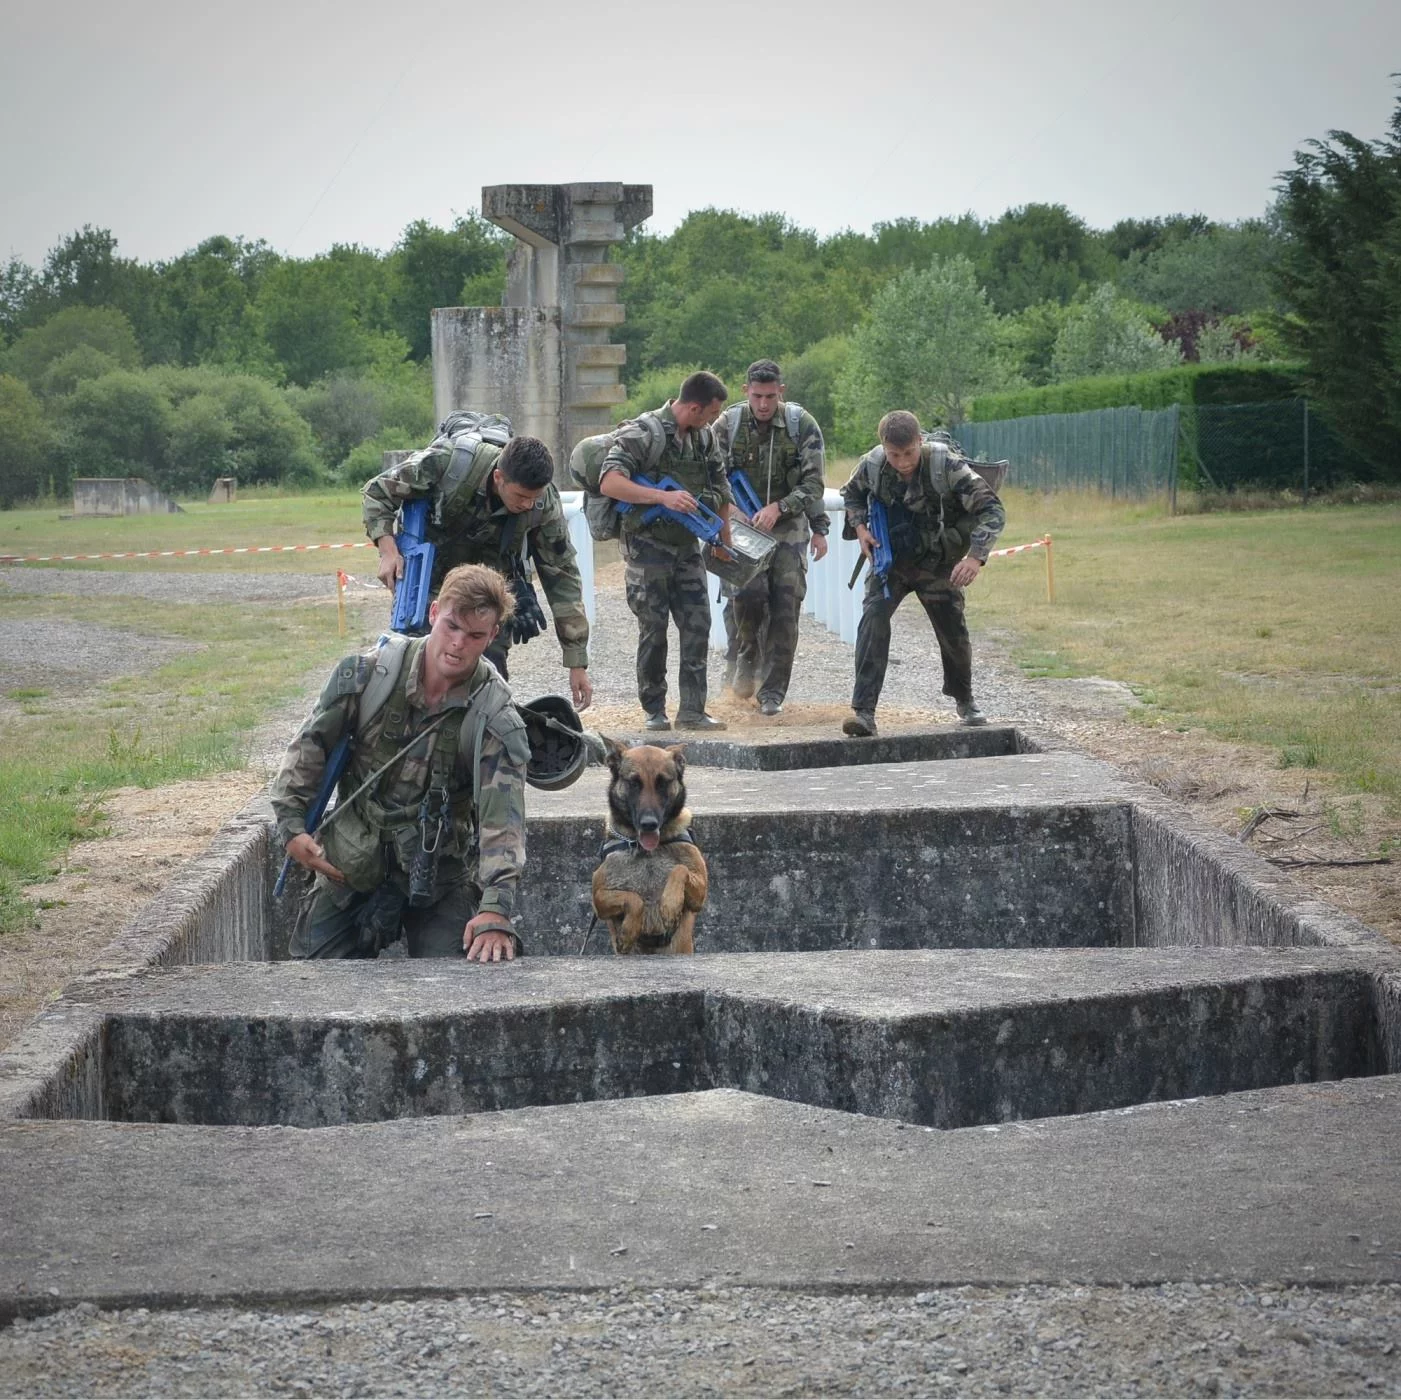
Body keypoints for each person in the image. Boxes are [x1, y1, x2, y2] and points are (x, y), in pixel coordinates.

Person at [270, 564, 530, 963]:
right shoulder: (369, 675)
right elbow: (310, 747)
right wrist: (291, 826)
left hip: (439, 873)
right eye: (451, 627)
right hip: (352, 862)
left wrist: (495, 908)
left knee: (469, 982)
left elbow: (504, 820)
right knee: (310, 980)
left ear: (493, 635)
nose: (458, 644)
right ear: (433, 614)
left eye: (475, 635)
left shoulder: (493, 716)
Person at [362, 431, 593, 711]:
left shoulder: (543, 504)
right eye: (521, 496)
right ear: (499, 478)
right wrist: (388, 551)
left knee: (489, 679)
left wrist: (576, 660)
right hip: (432, 581)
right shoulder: (448, 463)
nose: (527, 505)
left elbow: (562, 575)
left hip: (491, 590)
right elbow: (378, 492)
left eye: (535, 497)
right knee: (417, 665)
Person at [840, 410, 1006, 736]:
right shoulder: (872, 464)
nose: (902, 462)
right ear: (883, 447)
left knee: (953, 632)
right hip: (892, 561)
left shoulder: (947, 466)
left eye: (909, 453)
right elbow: (851, 494)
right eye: (894, 454)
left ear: (920, 441)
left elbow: (992, 509)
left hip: (939, 562)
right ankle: (864, 712)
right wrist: (860, 528)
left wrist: (974, 558)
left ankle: (964, 698)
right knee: (872, 621)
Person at [599, 370, 733, 732]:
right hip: (647, 548)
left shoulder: (704, 439)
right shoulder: (643, 434)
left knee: (697, 624)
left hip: (686, 546)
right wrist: (663, 497)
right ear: (693, 407)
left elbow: (721, 486)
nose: (712, 421)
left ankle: (692, 710)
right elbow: (610, 481)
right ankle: (654, 709)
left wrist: (725, 541)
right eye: (710, 413)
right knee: (654, 629)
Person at [714, 360, 829, 716]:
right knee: (748, 594)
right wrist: (728, 508)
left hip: (787, 525)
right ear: (746, 390)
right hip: (741, 523)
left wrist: (783, 509)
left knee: (786, 604)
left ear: (781, 391)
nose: (763, 404)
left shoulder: (801, 425)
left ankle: (772, 691)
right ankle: (747, 656)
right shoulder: (727, 426)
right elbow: (708, 476)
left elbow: (813, 483)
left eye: (770, 396)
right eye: (757, 396)